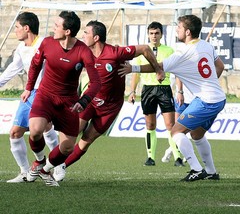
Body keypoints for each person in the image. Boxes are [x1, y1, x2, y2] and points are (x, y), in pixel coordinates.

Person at [53, 20, 164, 182]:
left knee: (86, 141)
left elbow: (145, 49)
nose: (83, 36)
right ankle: (50, 164)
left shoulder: (115, 53)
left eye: (86, 33)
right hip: (90, 101)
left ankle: (61, 166)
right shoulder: (83, 52)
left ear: (96, 37)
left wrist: (158, 69)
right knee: (72, 133)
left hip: (110, 107)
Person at [118, 15, 226, 182]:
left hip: (206, 101)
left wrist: (133, 67)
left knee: (176, 131)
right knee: (197, 135)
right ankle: (211, 172)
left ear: (187, 32)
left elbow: (158, 67)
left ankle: (196, 169)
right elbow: (220, 66)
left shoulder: (183, 52)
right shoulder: (206, 45)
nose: (177, 30)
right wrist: (207, 83)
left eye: (179, 27)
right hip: (217, 98)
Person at [21, 11, 102, 187]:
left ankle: (45, 170)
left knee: (67, 148)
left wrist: (83, 101)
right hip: (45, 95)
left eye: (57, 26)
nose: (53, 28)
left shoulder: (83, 51)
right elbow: (35, 66)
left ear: (67, 31)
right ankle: (39, 161)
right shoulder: (47, 43)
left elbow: (96, 82)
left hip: (69, 102)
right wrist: (29, 88)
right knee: (35, 131)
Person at [0, 12, 64, 183]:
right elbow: (13, 68)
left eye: (17, 27)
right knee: (14, 133)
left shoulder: (45, 44)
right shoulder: (21, 49)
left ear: (26, 28)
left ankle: (58, 164)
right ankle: (24, 172)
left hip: (46, 93)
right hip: (29, 94)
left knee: (46, 127)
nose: (15, 31)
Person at [128, 21, 184, 167]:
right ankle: (150, 157)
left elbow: (177, 72)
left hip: (164, 89)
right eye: (151, 33)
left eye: (157, 33)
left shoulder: (169, 51)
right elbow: (136, 73)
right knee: (150, 124)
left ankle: (177, 157)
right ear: (148, 34)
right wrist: (132, 91)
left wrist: (179, 91)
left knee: (170, 124)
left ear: (161, 34)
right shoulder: (142, 51)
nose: (154, 36)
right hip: (147, 90)